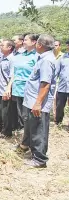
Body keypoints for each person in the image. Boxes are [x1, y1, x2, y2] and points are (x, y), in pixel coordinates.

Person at [21, 34, 56, 168]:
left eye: (36, 43)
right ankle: (34, 154)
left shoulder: (47, 61)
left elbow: (45, 84)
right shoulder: (43, 58)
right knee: (33, 129)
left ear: (40, 45)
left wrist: (38, 103)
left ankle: (40, 160)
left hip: (38, 103)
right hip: (33, 101)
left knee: (38, 131)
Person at [6, 34, 39, 132]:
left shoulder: (37, 56)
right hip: (18, 88)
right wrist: (9, 87)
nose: (23, 42)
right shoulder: (20, 55)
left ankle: (28, 136)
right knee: (20, 114)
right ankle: (23, 135)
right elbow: (14, 73)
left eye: (25, 40)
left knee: (28, 115)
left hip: (29, 90)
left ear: (34, 42)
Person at [0, 40, 15, 137]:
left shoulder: (12, 59)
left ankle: (6, 132)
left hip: (5, 89)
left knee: (6, 112)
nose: (0, 47)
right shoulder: (2, 58)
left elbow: (12, 76)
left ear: (9, 47)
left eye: (2, 45)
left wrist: (8, 89)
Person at [54, 40, 69, 125]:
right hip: (62, 86)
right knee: (59, 106)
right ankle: (58, 122)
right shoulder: (62, 58)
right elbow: (56, 72)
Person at [53, 39, 63, 122]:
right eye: (53, 45)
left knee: (57, 101)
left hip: (59, 82)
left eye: (56, 45)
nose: (54, 47)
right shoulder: (49, 56)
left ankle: (56, 118)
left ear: (60, 46)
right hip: (50, 80)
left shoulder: (63, 56)